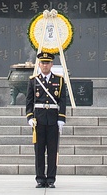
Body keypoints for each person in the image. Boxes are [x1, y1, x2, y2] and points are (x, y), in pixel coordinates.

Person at [25, 50, 66, 188]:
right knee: (39, 151)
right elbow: (29, 101)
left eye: (47, 63)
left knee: (53, 151)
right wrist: (30, 117)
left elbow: (63, 100)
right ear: (39, 64)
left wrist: (61, 119)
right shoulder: (33, 81)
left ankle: (51, 179)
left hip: (53, 120)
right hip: (39, 120)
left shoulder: (59, 80)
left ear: (52, 64)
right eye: (43, 63)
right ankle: (40, 178)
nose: (45, 66)